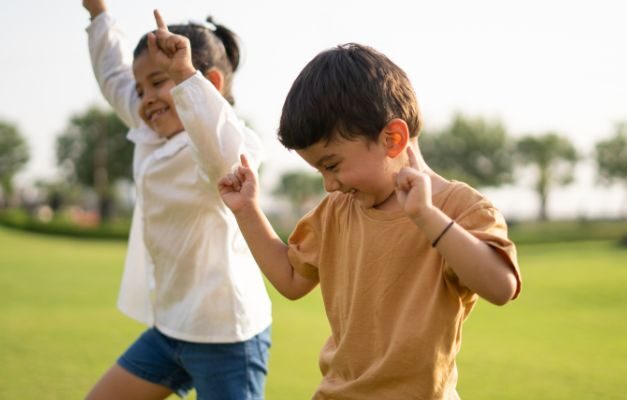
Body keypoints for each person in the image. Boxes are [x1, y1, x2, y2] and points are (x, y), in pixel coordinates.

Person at [218, 43, 522, 399]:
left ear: (392, 139)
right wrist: (247, 210)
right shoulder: (336, 211)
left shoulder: (457, 207)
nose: (329, 184)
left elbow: (501, 287)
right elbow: (291, 279)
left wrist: (427, 217)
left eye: (332, 165)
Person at [81, 2, 272, 399]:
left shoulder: (217, 143)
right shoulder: (151, 133)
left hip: (226, 338)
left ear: (210, 84)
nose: (146, 98)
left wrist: (184, 75)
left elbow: (226, 158)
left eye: (158, 81)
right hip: (170, 331)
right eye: (141, 89)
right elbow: (113, 75)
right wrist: (98, 13)